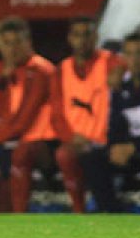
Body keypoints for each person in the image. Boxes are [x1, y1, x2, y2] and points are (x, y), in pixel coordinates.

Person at [0, 18, 57, 213]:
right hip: (21, 138)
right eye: (7, 44)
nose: (12, 49)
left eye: (17, 43)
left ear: (28, 42)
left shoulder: (39, 70)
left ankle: (19, 215)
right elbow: (12, 117)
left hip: (45, 142)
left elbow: (24, 120)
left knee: (18, 152)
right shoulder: (18, 71)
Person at [49, 18, 123, 212]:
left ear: (96, 37)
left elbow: (127, 68)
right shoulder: (61, 70)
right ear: (69, 38)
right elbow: (56, 113)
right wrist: (71, 137)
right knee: (64, 155)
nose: (82, 40)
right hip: (76, 139)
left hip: (105, 138)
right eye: (77, 35)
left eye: (87, 35)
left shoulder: (111, 62)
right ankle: (79, 208)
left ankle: (105, 207)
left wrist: (120, 72)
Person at [82, 32, 140, 212]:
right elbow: (114, 124)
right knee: (93, 158)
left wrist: (134, 147)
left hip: (137, 149)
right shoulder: (120, 90)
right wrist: (116, 146)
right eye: (129, 54)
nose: (135, 59)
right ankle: (111, 211)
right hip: (130, 153)